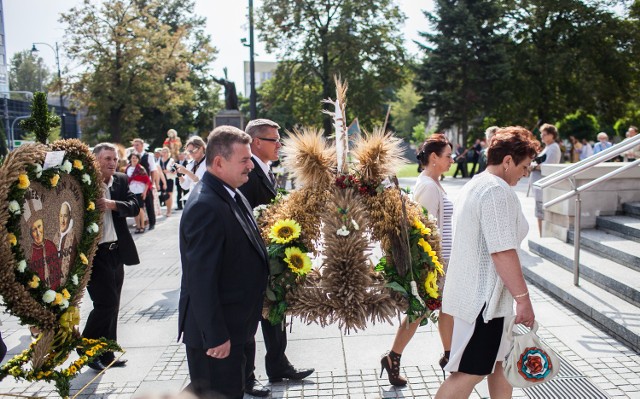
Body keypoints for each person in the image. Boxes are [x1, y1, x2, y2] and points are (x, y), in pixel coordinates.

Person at [435, 126, 539, 399]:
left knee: (500, 362)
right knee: (470, 372)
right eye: (525, 167)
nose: (525, 174)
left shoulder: (477, 183)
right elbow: (502, 251)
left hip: (481, 298)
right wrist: (523, 298)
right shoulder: (496, 191)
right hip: (483, 302)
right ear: (507, 161)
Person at [178, 126, 269, 399]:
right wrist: (216, 335)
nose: (251, 166)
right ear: (219, 162)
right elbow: (201, 279)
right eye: (244, 160)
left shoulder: (229, 191)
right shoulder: (205, 205)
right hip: (217, 337)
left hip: (235, 326)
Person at [239, 119, 314, 397]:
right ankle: (246, 378)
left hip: (271, 254)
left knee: (275, 312)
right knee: (253, 317)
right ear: (257, 142)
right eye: (274, 140)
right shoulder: (249, 173)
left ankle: (278, 365)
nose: (279, 144)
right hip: (255, 257)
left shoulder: (265, 170)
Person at [380, 133, 454, 386]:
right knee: (419, 311)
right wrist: (431, 267)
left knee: (445, 308)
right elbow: (422, 231)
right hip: (433, 264)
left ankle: (449, 355)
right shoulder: (428, 186)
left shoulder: (434, 183)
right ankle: (393, 356)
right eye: (447, 156)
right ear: (433, 158)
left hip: (443, 261)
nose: (452, 160)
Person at [83, 143, 140, 371]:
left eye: (114, 159)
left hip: (117, 251)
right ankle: (86, 348)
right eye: (107, 158)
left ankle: (106, 352)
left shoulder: (120, 180)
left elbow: (135, 206)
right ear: (95, 160)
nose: (112, 163)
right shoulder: (85, 183)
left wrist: (112, 204)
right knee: (104, 303)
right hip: (95, 255)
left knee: (113, 304)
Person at [530, 124, 562, 235]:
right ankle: (542, 236)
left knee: (541, 214)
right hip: (540, 188)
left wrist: (533, 166)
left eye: (545, 134)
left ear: (552, 135)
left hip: (544, 188)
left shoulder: (553, 147)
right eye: (541, 134)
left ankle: (543, 237)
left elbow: (549, 167)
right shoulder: (548, 147)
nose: (542, 136)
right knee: (539, 214)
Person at [28, 218, 63, 290]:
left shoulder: (50, 245)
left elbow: (56, 272)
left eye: (39, 227)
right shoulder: (30, 251)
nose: (38, 233)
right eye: (34, 230)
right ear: (31, 233)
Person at [131, 138, 158, 231]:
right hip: (136, 186)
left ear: (142, 145)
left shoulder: (148, 155)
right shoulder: (132, 155)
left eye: (137, 145)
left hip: (147, 183)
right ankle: (141, 223)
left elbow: (153, 170)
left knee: (149, 204)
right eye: (134, 145)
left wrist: (153, 183)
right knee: (139, 205)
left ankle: (152, 222)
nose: (135, 147)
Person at [126, 153, 151, 234]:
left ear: (138, 159)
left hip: (140, 191)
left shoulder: (141, 169)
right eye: (133, 158)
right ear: (130, 159)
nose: (134, 159)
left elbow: (147, 181)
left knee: (140, 209)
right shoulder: (127, 168)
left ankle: (142, 226)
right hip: (131, 192)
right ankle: (138, 226)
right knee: (134, 209)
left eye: (136, 158)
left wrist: (144, 192)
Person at [176, 136, 207, 202]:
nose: (191, 154)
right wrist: (179, 175)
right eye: (189, 151)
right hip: (193, 199)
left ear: (201, 148)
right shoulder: (190, 164)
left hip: (206, 199)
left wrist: (187, 172)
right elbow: (185, 186)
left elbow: (201, 183)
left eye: (193, 151)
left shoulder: (209, 162)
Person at [54, 201, 77, 281]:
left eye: (65, 216)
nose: (62, 220)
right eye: (61, 216)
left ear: (70, 217)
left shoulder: (73, 238)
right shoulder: (56, 236)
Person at [159, 147, 176, 217]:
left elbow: (175, 170)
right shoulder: (159, 160)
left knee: (169, 194)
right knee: (164, 194)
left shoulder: (171, 160)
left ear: (168, 153)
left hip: (169, 179)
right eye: (163, 152)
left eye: (166, 152)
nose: (164, 153)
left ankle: (169, 211)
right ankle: (167, 210)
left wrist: (167, 171)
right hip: (161, 179)